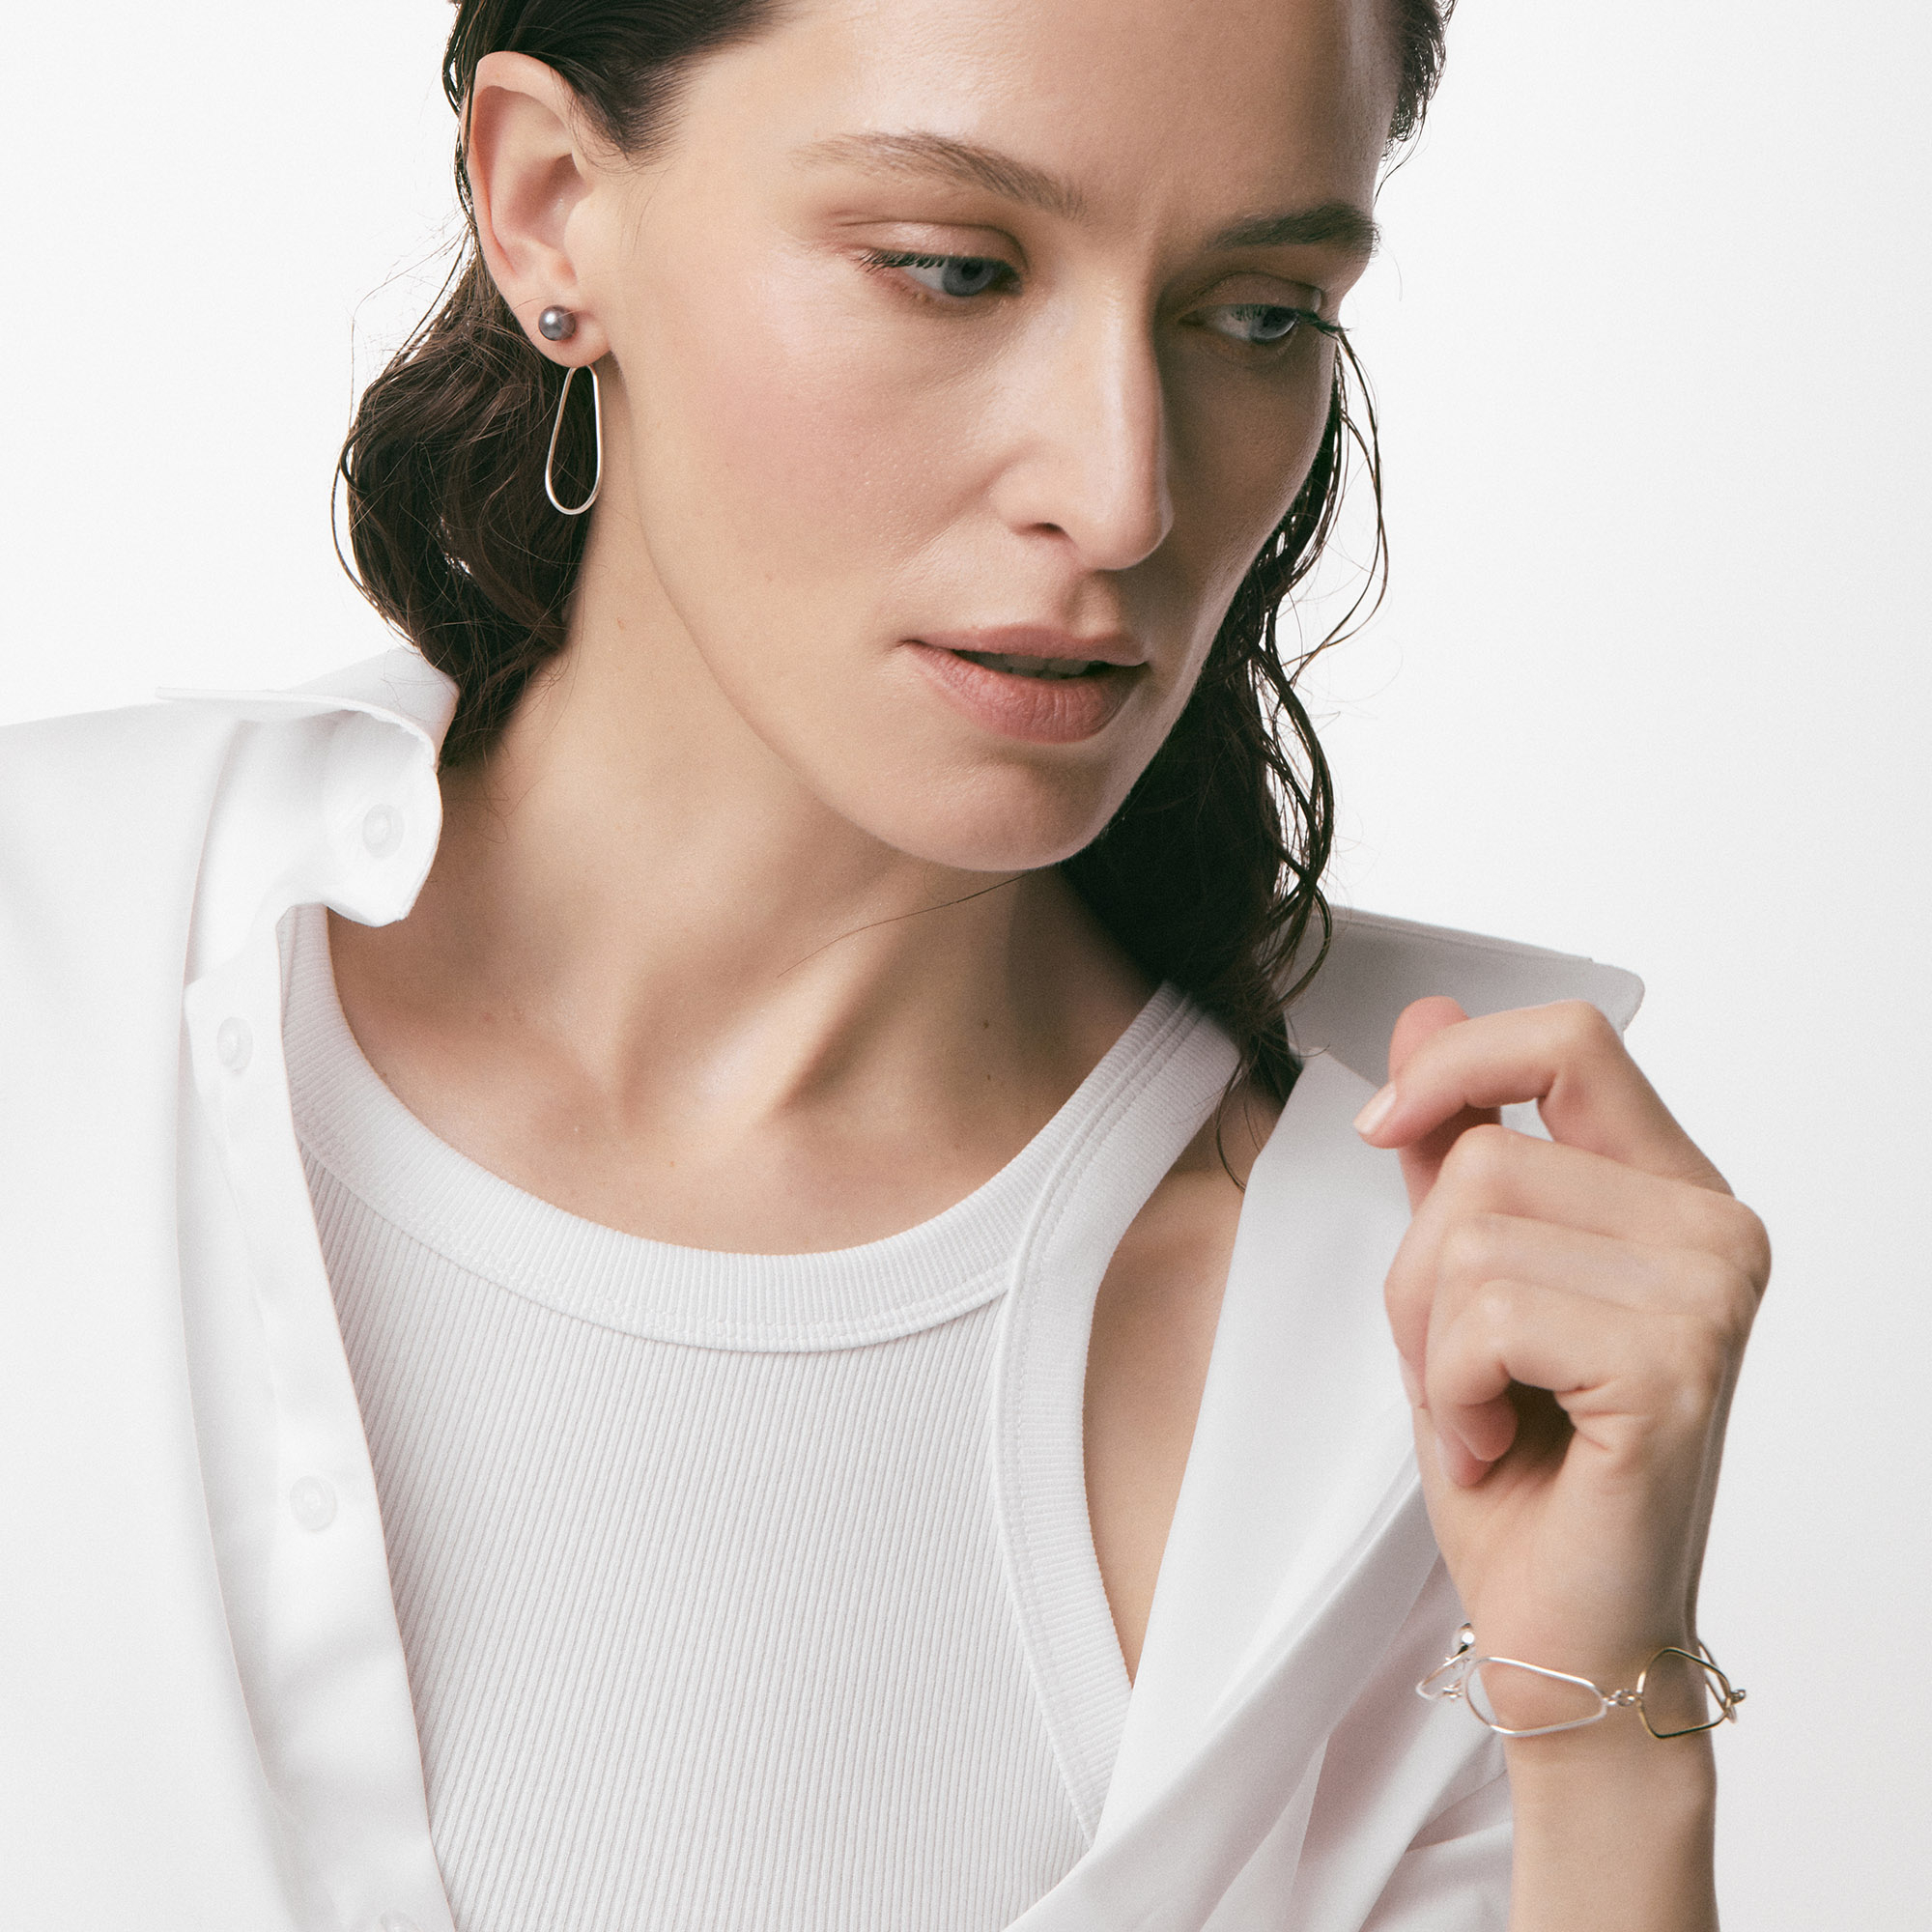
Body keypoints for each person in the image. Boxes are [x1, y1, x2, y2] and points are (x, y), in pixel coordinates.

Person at [0, 1, 1770, 1927]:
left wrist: (1609, 1735)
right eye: (950, 269)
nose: (1122, 494)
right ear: (551, 204)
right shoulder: (58, 975)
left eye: (1258, 315)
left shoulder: (1420, 1348)